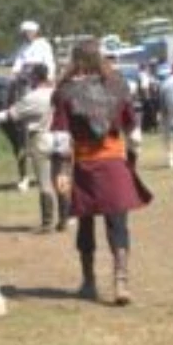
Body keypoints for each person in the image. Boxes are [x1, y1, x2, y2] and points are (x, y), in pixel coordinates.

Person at [51, 39, 152, 305]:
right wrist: (132, 157)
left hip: (84, 164)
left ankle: (89, 281)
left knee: (86, 225)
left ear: (76, 60)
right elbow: (133, 129)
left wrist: (61, 169)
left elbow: (61, 135)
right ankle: (121, 282)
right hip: (114, 163)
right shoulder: (118, 84)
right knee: (118, 223)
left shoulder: (65, 92)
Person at [0, 64, 60, 233]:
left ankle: (47, 223)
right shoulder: (57, 93)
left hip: (40, 138)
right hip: (60, 138)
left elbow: (10, 115)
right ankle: (63, 219)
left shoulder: (32, 97)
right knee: (61, 179)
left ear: (34, 78)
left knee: (45, 183)